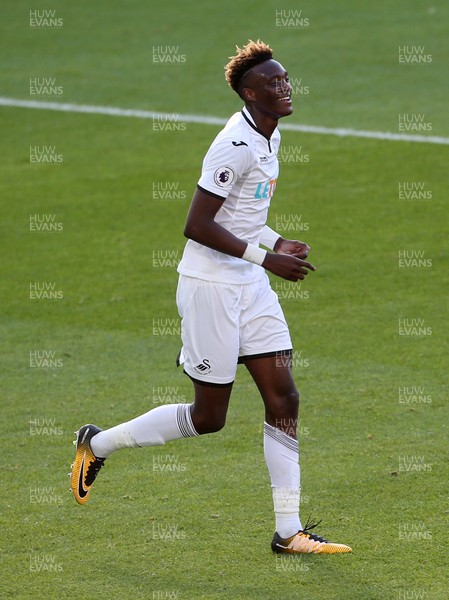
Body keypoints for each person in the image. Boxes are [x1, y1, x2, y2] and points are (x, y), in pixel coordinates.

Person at [70, 40, 352, 555]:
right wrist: (267, 258)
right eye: (273, 83)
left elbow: (245, 214)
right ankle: (98, 443)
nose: (286, 87)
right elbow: (197, 224)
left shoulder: (271, 135)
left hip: (249, 284)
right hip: (210, 288)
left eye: (286, 78)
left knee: (284, 397)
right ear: (249, 93)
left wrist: (274, 241)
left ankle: (288, 531)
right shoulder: (234, 145)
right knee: (209, 419)